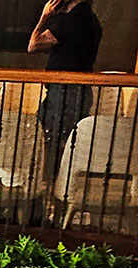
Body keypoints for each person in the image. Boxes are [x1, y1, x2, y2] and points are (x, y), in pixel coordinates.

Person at [28, 0, 101, 181]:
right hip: (76, 91)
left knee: (49, 143)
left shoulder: (74, 19)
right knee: (63, 144)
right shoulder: (90, 19)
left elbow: (34, 44)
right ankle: (52, 196)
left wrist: (44, 17)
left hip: (65, 92)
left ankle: (47, 194)